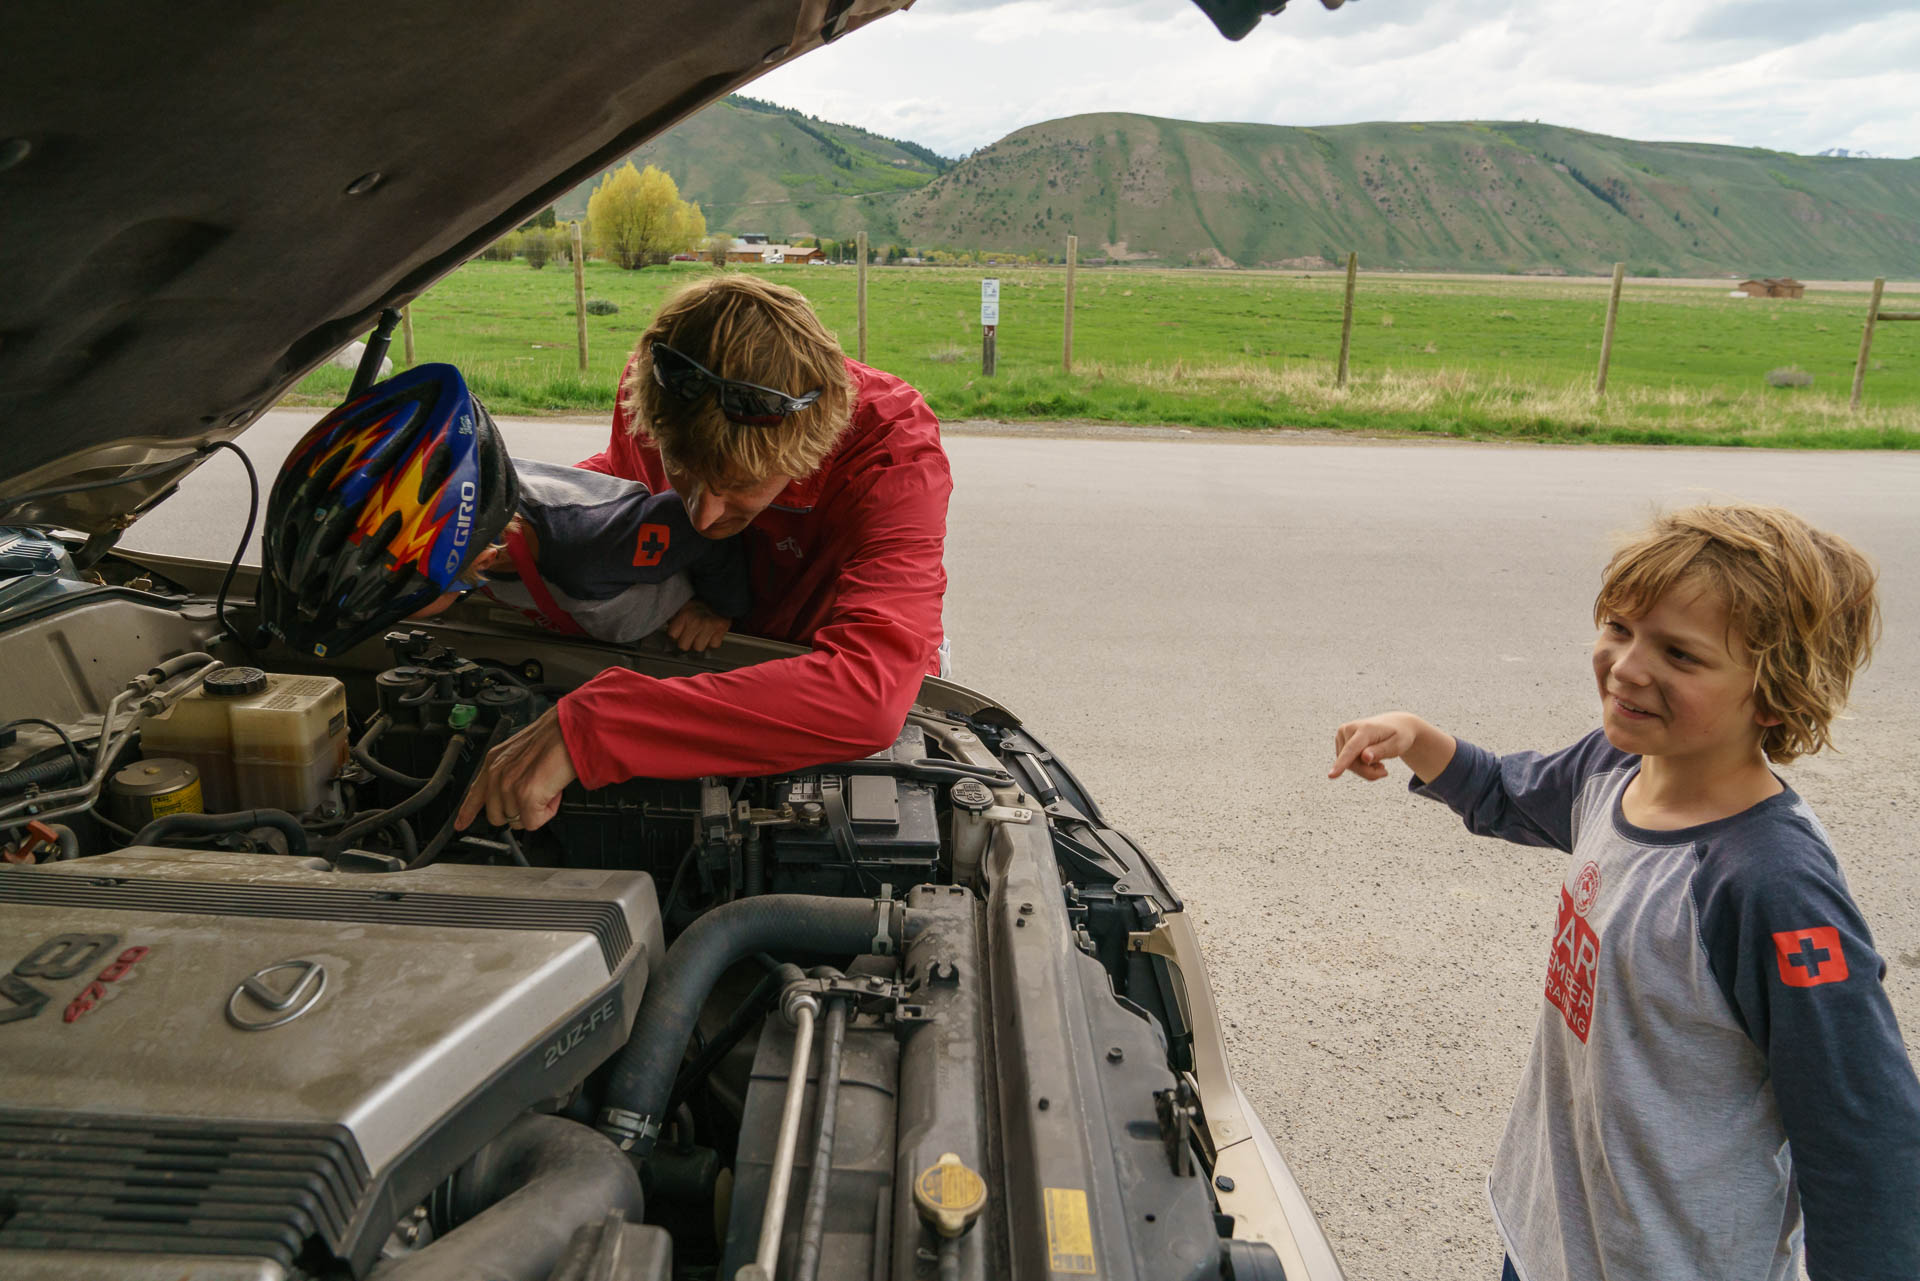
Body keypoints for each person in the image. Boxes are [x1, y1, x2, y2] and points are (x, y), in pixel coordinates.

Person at [1327, 504, 1920, 1281]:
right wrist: (1415, 734)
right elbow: (1509, 790)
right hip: (1554, 1234)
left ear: (1774, 694)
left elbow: (1861, 1135)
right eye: (1619, 626)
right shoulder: (1615, 765)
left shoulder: (1770, 883)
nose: (1628, 666)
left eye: (1680, 653)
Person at [455, 274, 950, 833]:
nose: (703, 515)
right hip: (699, 669)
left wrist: (596, 726)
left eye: (740, 485)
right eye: (683, 473)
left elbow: (869, 695)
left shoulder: (892, 448)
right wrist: (503, 535)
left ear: (810, 451)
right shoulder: (663, 384)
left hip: (816, 700)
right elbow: (621, 500)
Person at [261, 363, 745, 656]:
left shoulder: (593, 545)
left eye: (406, 608)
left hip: (670, 648)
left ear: (484, 562)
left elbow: (701, 530)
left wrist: (718, 607)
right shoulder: (474, 512)